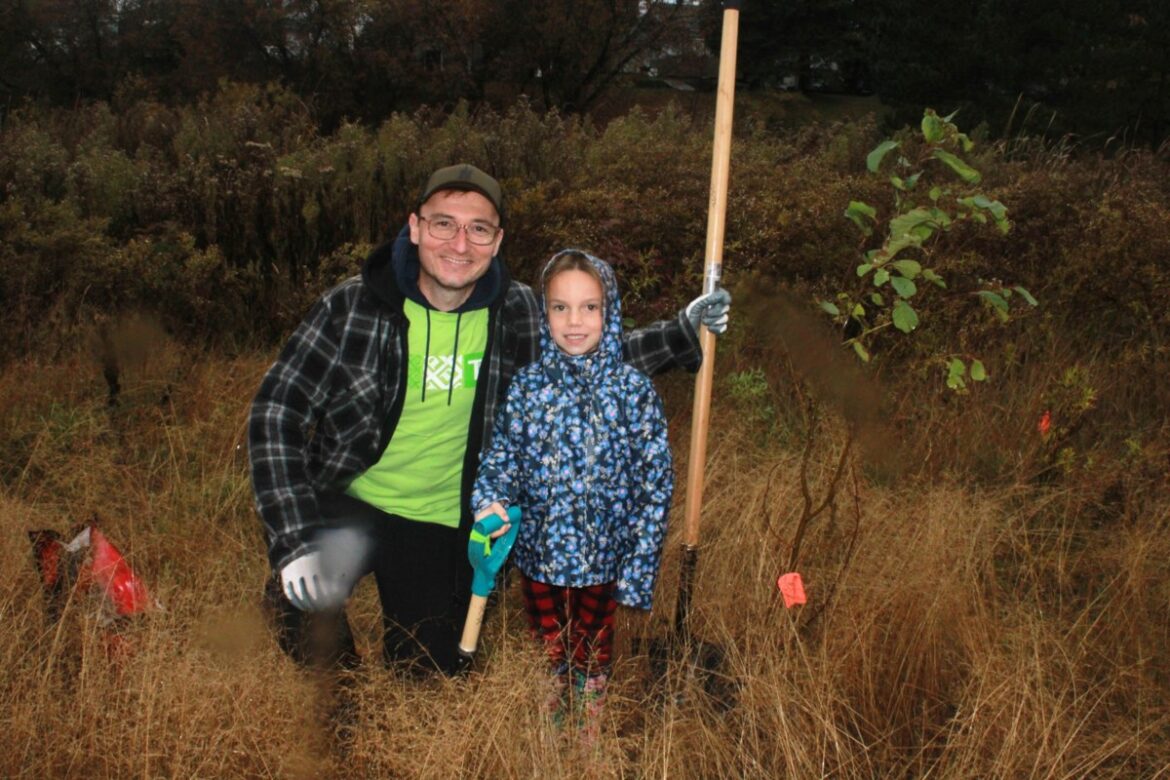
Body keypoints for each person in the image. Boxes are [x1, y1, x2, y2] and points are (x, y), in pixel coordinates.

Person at [249, 163, 730, 676]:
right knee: (298, 602)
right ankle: (342, 689)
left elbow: (590, 353)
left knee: (431, 674)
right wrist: (295, 540)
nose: (459, 244)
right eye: (443, 224)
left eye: (478, 229)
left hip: (444, 521)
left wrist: (683, 331)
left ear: (496, 241)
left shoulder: (517, 311)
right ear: (414, 228)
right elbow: (276, 411)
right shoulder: (353, 306)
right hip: (353, 502)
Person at [471, 249, 673, 738]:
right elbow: (501, 460)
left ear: (611, 311)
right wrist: (489, 500)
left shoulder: (633, 391)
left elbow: (655, 483)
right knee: (548, 639)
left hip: (606, 555)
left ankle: (588, 718)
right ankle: (551, 705)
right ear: (545, 314)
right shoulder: (527, 387)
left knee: (595, 639)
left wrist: (640, 562)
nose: (575, 321)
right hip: (539, 553)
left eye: (589, 307)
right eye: (560, 307)